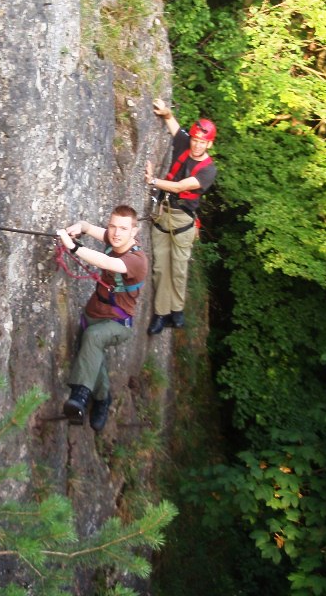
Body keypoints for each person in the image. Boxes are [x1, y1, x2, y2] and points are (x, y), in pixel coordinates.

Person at [56, 205, 147, 432]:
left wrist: (73, 247)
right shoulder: (113, 238)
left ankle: (80, 396)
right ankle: (103, 399)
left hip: (118, 322)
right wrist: (79, 227)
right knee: (91, 354)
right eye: (112, 226)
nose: (116, 233)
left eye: (123, 228)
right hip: (94, 313)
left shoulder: (137, 260)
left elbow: (107, 263)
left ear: (134, 231)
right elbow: (88, 227)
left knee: (93, 338)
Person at [144, 98, 217, 336]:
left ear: (209, 144)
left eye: (202, 142)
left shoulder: (208, 171)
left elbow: (179, 187)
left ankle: (177, 310)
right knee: (160, 268)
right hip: (163, 214)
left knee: (178, 268)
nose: (196, 145)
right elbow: (173, 124)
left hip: (182, 220)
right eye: (195, 140)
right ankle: (161, 313)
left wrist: (153, 181)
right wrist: (166, 112)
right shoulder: (186, 143)